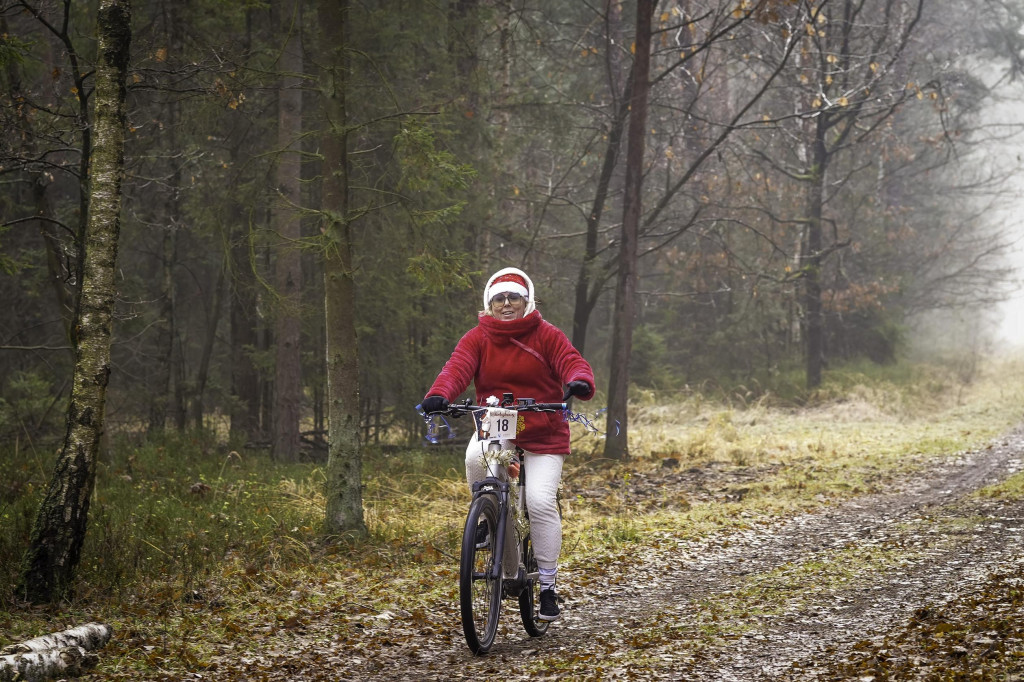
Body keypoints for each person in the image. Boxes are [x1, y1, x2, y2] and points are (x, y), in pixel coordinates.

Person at [421, 267, 594, 622]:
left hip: (543, 430)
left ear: (527, 300)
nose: (506, 304)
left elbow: (571, 361)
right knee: (474, 458)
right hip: (498, 425)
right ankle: (487, 516)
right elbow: (457, 368)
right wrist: (439, 394)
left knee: (540, 501)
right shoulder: (477, 337)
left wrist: (578, 380)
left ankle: (547, 587)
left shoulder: (547, 335)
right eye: (499, 298)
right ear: (488, 304)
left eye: (514, 297)